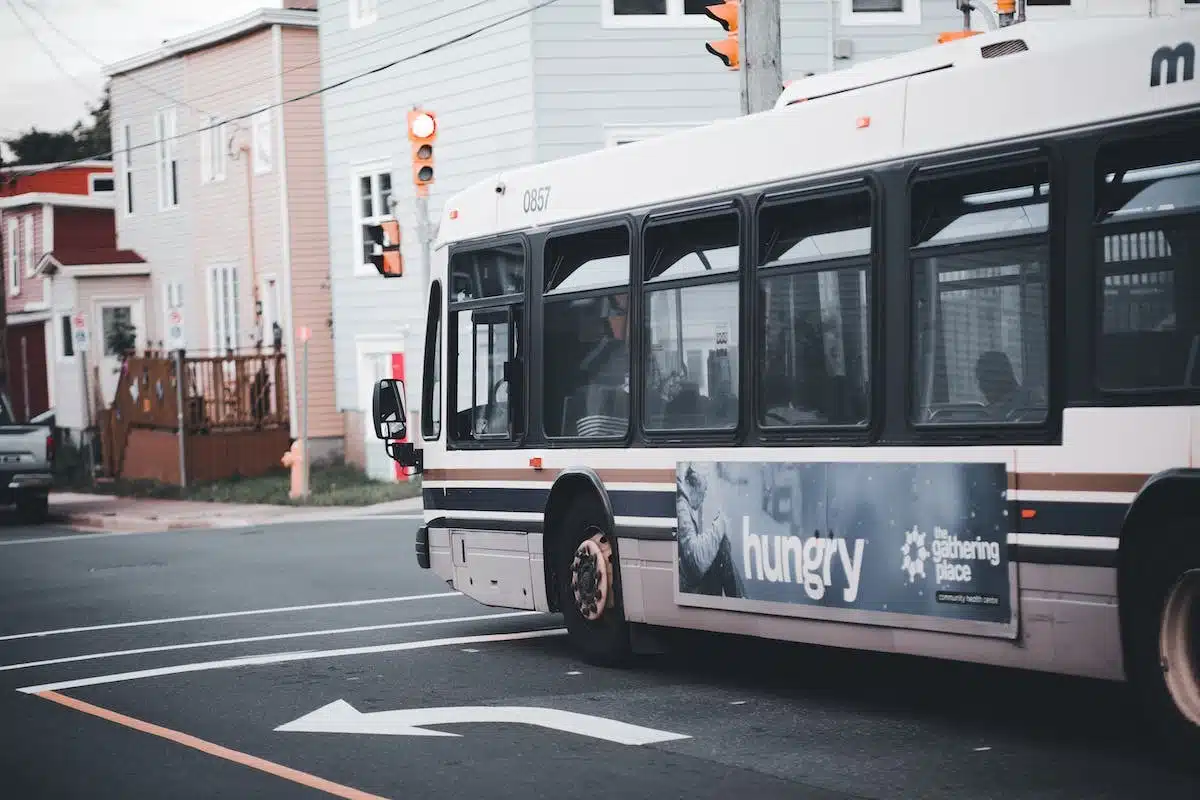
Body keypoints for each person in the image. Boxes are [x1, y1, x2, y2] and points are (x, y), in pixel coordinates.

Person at [676, 465, 745, 598]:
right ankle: (740, 600)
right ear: (696, 481)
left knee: (720, 545)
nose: (704, 495)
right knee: (721, 545)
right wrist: (720, 525)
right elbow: (695, 562)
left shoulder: (682, 504)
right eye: (705, 489)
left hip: (687, 581)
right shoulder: (681, 506)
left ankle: (740, 599)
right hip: (689, 589)